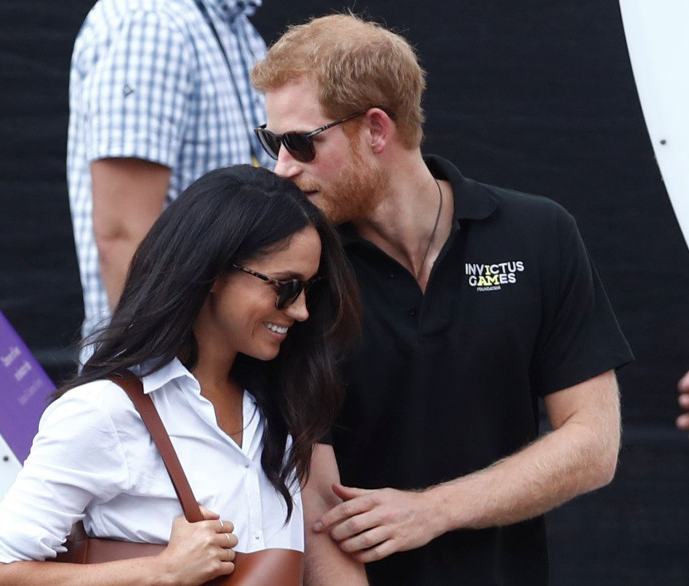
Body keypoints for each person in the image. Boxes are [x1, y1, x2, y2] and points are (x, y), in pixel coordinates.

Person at [251, 13, 635, 585]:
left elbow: (593, 443)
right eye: (271, 142)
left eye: (301, 143)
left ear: (376, 130)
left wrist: (433, 510)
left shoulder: (538, 233)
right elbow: (315, 502)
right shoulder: (300, 271)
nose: (282, 167)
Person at [0, 166, 367, 585]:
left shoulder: (279, 411)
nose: (301, 310)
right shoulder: (105, 412)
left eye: (310, 290)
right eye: (285, 287)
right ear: (214, 272)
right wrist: (161, 571)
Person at [68, 0, 273, 364]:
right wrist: (166, 376)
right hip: (169, 376)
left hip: (218, 371)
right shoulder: (151, 23)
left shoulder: (237, 29)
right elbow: (122, 234)